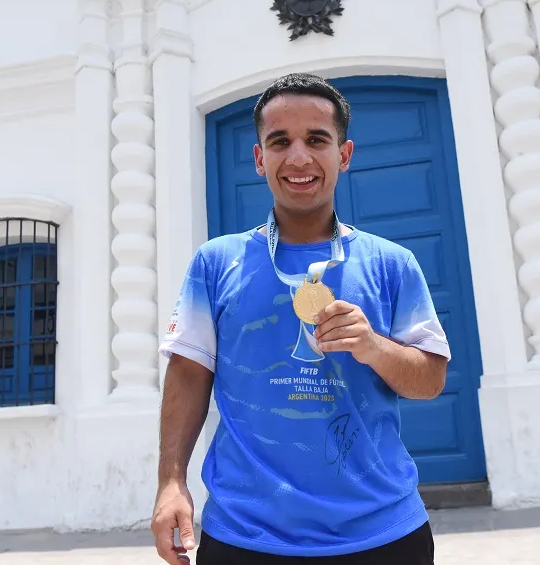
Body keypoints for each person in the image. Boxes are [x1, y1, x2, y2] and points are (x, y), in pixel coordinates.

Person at [151, 72, 451, 565]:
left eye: (317, 140)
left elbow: (430, 380)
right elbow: (187, 375)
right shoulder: (214, 263)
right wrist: (171, 483)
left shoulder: (392, 263)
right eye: (279, 141)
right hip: (245, 536)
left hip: (382, 534)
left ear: (345, 154)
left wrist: (373, 346)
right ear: (258, 158)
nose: (298, 158)